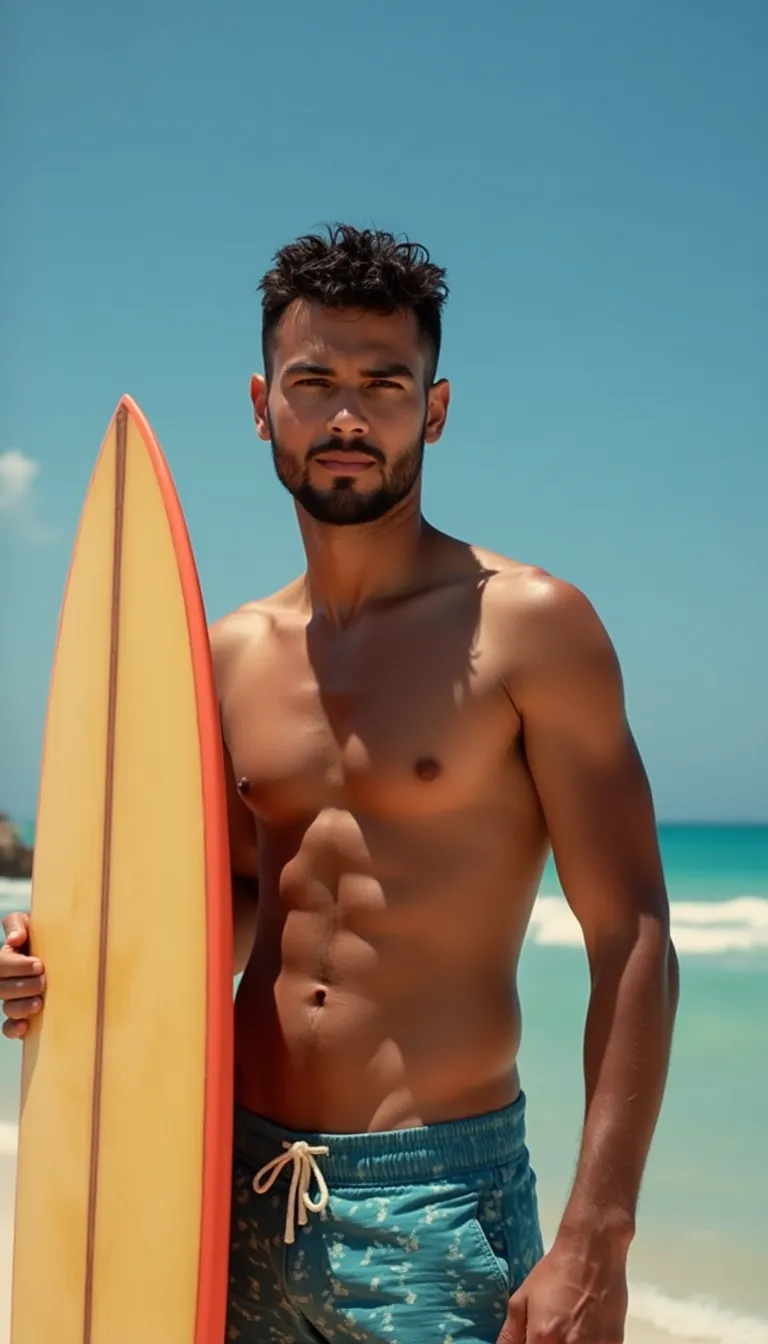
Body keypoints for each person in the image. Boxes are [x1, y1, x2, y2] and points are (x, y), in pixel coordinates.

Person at [0, 225, 679, 1344]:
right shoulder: (225, 657)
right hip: (224, 1180)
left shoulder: (531, 628)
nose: (349, 418)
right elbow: (227, 914)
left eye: (385, 385)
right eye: (314, 383)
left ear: (436, 409)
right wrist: (62, 965)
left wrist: (596, 1237)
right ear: (262, 404)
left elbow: (634, 932)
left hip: (436, 1202)